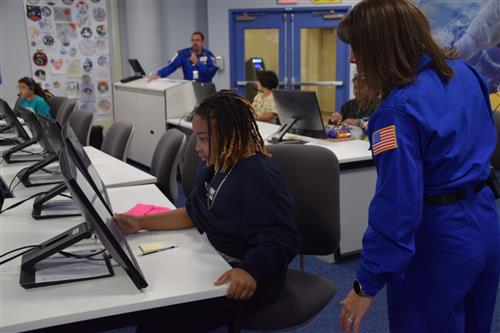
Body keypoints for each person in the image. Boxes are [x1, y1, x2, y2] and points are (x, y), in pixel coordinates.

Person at [336, 1, 500, 333]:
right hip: (485, 222)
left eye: (356, 47)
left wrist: (365, 286)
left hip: (437, 241)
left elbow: (397, 207)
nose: (352, 58)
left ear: (381, 44)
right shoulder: (466, 74)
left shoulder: (397, 112)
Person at [115, 90, 299, 331]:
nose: (197, 148)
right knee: (155, 303)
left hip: (253, 276)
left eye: (203, 139)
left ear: (231, 135)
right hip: (217, 259)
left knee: (160, 321)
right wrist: (140, 222)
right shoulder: (214, 167)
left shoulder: (260, 178)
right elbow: (192, 213)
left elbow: (282, 240)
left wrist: (250, 270)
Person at [151, 31, 218, 83]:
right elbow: (171, 66)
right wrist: (159, 74)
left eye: (197, 40)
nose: (195, 43)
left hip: (205, 88)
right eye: (193, 40)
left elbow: (210, 73)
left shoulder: (209, 55)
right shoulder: (184, 53)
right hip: (189, 87)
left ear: (202, 42)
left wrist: (197, 63)